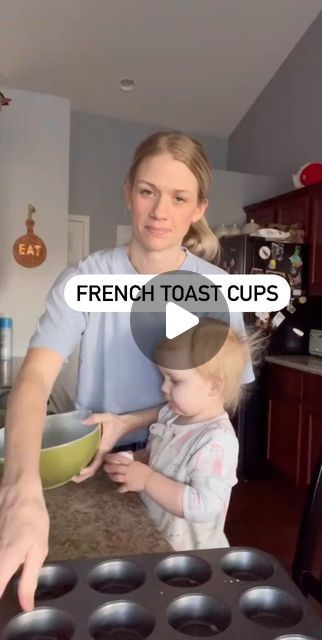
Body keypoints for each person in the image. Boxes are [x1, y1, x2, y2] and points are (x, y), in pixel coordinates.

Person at [0, 131, 254, 610]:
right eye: (147, 191)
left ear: (198, 208)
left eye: (178, 198)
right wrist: (21, 490)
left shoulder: (217, 290)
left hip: (177, 470)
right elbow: (33, 382)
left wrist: (133, 422)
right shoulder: (85, 280)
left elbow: (217, 400)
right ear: (128, 193)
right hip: (94, 465)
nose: (160, 211)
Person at [104, 318, 249, 550]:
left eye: (175, 381)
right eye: (164, 377)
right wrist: (132, 461)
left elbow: (203, 506)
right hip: (157, 541)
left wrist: (147, 480)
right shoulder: (170, 416)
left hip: (191, 559)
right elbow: (159, 455)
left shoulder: (217, 442)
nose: (163, 388)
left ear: (214, 387)